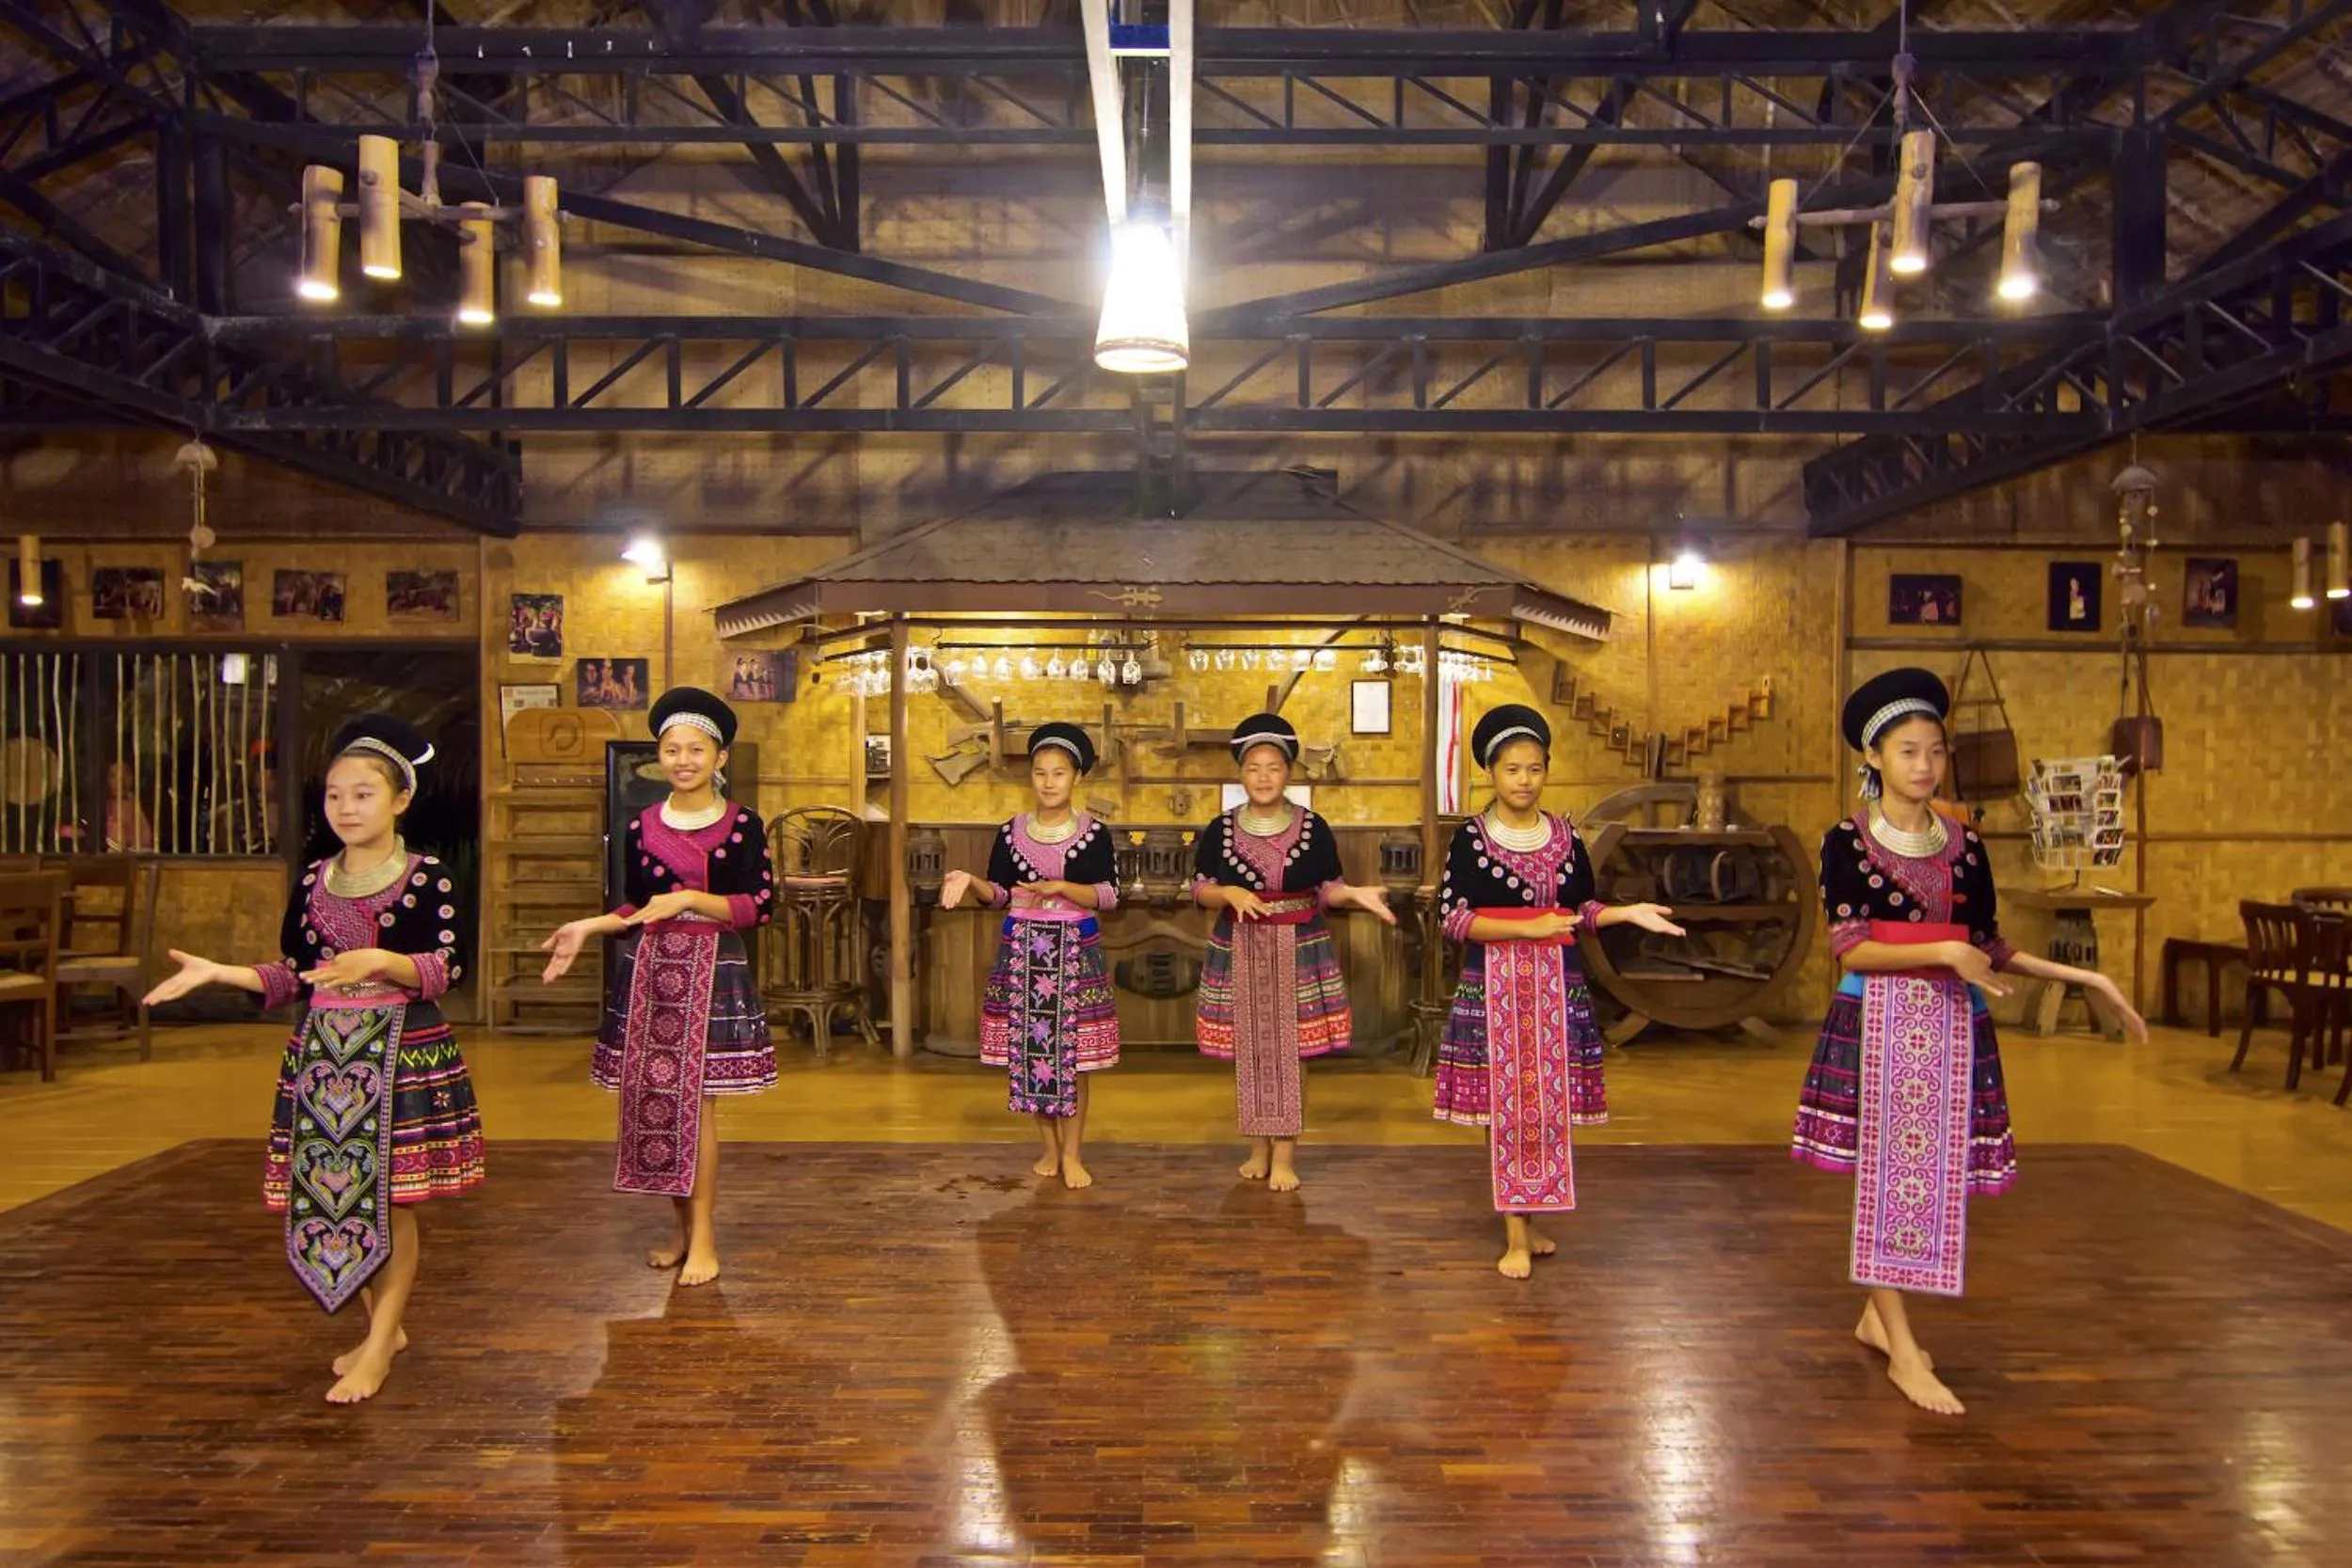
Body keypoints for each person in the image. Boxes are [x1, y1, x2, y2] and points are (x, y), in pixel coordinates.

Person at [1792, 668, 2147, 1416]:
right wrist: (1944, 954)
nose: (1925, 765)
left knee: (1930, 1180)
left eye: (1935, 751)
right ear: (1875, 759)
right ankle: (1904, 1349)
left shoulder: (1966, 846)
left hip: (1952, 1027)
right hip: (1876, 1022)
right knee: (1884, 1181)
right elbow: (1850, 949)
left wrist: (2089, 980)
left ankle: (1876, 1315)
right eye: (1908, 751)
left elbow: (1989, 944)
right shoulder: (1845, 843)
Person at [142, 714, 481, 1404]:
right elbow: (296, 975)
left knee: (392, 1200)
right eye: (334, 795)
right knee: (341, 1197)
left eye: (362, 794)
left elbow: (450, 966)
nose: (346, 808)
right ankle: (381, 1326)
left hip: (400, 1051)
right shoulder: (313, 880)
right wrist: (222, 972)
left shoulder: (429, 877)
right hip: (325, 1059)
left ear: (400, 800)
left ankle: (381, 1341)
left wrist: (385, 959)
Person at [1434, 705, 1685, 1279]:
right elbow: (1452, 918)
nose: (1524, 780)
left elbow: (1581, 910)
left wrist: (1627, 913)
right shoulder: (1469, 840)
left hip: (1556, 987)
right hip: (1493, 987)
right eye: (1513, 769)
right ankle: (1515, 1234)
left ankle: (1529, 1216)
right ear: (1491, 774)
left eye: (1535, 769)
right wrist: (1527, 928)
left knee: (1547, 1108)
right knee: (1508, 1108)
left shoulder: (1567, 836)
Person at [540, 687, 775, 1287]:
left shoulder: (743, 824)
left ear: (720, 758)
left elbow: (760, 905)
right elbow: (633, 907)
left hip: (714, 968)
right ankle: (681, 1231)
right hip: (651, 972)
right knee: (661, 1104)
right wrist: (589, 927)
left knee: (698, 1109)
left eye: (697, 749)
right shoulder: (639, 826)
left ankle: (706, 1238)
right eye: (672, 749)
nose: (683, 759)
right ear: (659, 757)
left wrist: (694, 898)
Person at [1192, 713, 1394, 1192]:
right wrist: (1229, 896)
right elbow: (1199, 888)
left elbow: (1329, 889)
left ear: (1288, 773)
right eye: (1253, 768)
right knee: (1253, 1051)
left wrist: (1356, 896)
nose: (1263, 777)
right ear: (1241, 774)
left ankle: (1285, 1153)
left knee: (1294, 1052)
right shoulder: (1219, 829)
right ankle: (1258, 1148)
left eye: (1274, 767)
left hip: (1300, 946)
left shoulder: (1313, 827)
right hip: (1239, 945)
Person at [941, 722, 1121, 1189]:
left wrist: (1062, 887)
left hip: (1075, 951)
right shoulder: (1010, 833)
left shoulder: (1095, 834)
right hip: (1022, 950)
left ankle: (1075, 1152)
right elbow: (998, 893)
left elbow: (1109, 895)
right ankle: (1049, 1147)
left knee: (1074, 1057)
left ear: (1076, 777)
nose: (1048, 782)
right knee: (1030, 1053)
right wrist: (968, 880)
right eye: (1040, 772)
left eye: (1058, 773)